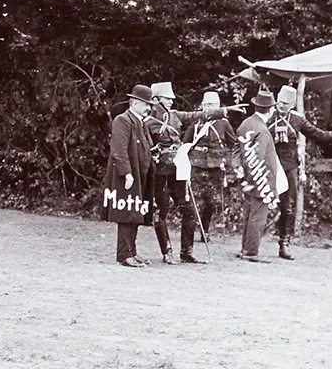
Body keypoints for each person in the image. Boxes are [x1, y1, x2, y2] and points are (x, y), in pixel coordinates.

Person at [143, 81, 229, 265]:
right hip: (159, 173)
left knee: (189, 210)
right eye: (168, 98)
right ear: (156, 99)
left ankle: (186, 252)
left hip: (177, 170)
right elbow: (146, 150)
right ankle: (167, 252)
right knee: (161, 212)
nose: (172, 101)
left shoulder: (175, 116)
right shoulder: (147, 122)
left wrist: (222, 112)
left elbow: (198, 115)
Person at [268, 85, 332, 260]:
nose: (281, 106)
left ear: (293, 104)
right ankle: (250, 244)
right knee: (260, 203)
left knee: (287, 207)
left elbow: (319, 135)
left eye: (286, 104)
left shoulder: (297, 120)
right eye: (280, 102)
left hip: (289, 169)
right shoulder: (268, 115)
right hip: (269, 166)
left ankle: (284, 243)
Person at [101, 85, 158, 267]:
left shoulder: (139, 122)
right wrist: (126, 173)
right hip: (128, 175)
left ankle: (132, 251)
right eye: (145, 104)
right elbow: (119, 150)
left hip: (140, 175)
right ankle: (124, 254)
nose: (148, 107)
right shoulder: (122, 120)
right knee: (126, 213)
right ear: (133, 102)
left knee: (135, 213)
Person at [232, 89, 281, 261]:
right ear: (271, 109)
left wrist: (238, 168)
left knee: (248, 214)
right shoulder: (263, 130)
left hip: (247, 178)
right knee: (258, 217)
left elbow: (236, 149)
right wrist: (255, 181)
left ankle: (245, 248)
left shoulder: (245, 124)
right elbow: (258, 159)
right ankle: (251, 251)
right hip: (261, 179)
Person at [182, 91, 236, 245]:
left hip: (215, 166)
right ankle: (190, 231)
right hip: (197, 165)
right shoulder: (197, 122)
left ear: (218, 106)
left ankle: (205, 230)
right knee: (194, 201)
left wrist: (226, 159)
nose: (209, 107)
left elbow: (233, 144)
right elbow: (186, 143)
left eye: (212, 104)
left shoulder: (224, 123)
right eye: (206, 105)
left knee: (211, 201)